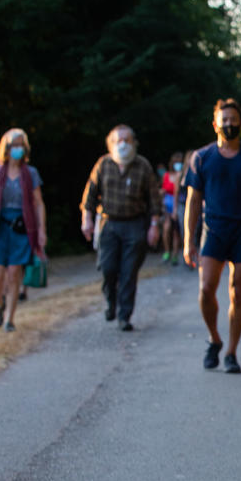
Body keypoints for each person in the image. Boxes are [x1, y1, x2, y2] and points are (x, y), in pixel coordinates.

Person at [184, 98, 241, 374]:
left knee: (238, 292)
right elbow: (193, 202)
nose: (229, 124)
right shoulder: (201, 158)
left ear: (240, 123)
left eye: (234, 119)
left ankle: (231, 352)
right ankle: (215, 339)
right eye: (225, 120)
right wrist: (188, 240)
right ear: (215, 124)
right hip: (215, 230)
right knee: (207, 288)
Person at [80, 125, 162, 331]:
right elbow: (89, 196)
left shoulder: (142, 166)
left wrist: (154, 226)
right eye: (119, 140)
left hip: (134, 224)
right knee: (108, 268)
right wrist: (87, 220)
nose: (123, 144)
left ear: (134, 142)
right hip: (109, 223)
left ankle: (124, 316)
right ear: (111, 144)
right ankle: (111, 301)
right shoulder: (104, 164)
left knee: (128, 272)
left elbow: (154, 200)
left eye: (127, 140)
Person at [0, 128, 48, 332]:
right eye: (13, 145)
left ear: (25, 148)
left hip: (22, 227)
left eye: (20, 145)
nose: (17, 149)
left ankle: (9, 320)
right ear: (6, 148)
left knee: (15, 273)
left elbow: (38, 204)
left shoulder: (31, 174)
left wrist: (42, 230)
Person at [161, 152, 184, 266]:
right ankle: (167, 251)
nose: (178, 164)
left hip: (178, 205)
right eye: (176, 162)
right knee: (166, 228)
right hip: (167, 205)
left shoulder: (182, 176)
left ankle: (175, 255)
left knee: (176, 232)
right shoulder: (166, 175)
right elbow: (164, 189)